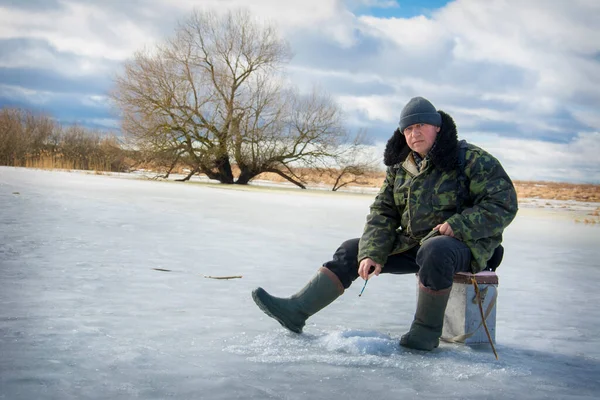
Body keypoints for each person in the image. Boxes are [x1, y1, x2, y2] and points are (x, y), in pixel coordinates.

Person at [251, 96, 518, 351]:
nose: (415, 133)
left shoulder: (470, 159)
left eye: (421, 125)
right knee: (351, 250)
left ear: (437, 127)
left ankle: (424, 335)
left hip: (465, 247)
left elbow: (503, 204)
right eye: (409, 128)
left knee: (435, 250)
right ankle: (296, 310)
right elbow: (383, 212)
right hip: (415, 244)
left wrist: (459, 225)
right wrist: (372, 253)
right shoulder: (400, 168)